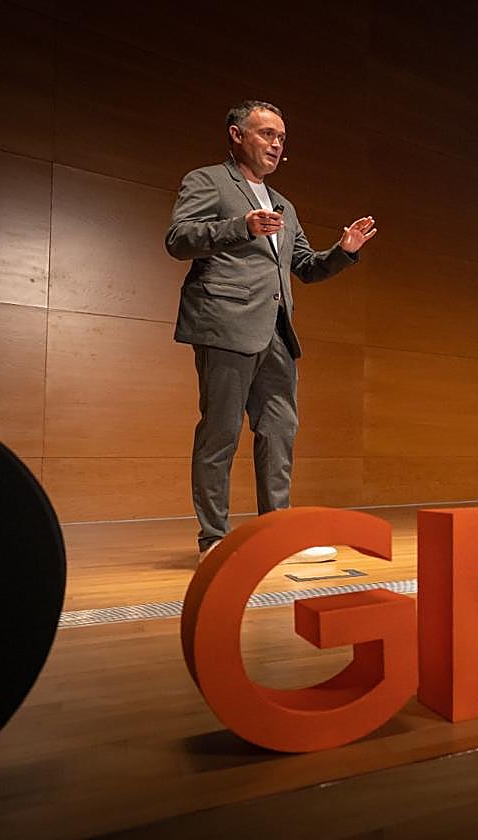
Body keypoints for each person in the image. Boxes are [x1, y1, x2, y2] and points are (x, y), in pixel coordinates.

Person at [165, 100, 376, 562]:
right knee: (220, 433)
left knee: (280, 430)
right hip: (224, 325)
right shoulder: (208, 181)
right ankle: (213, 539)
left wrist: (343, 250)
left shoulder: (284, 205)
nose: (276, 145)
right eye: (266, 134)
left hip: (277, 333)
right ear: (237, 135)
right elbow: (178, 239)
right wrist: (240, 226)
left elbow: (305, 267)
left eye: (281, 138)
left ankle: (276, 533)